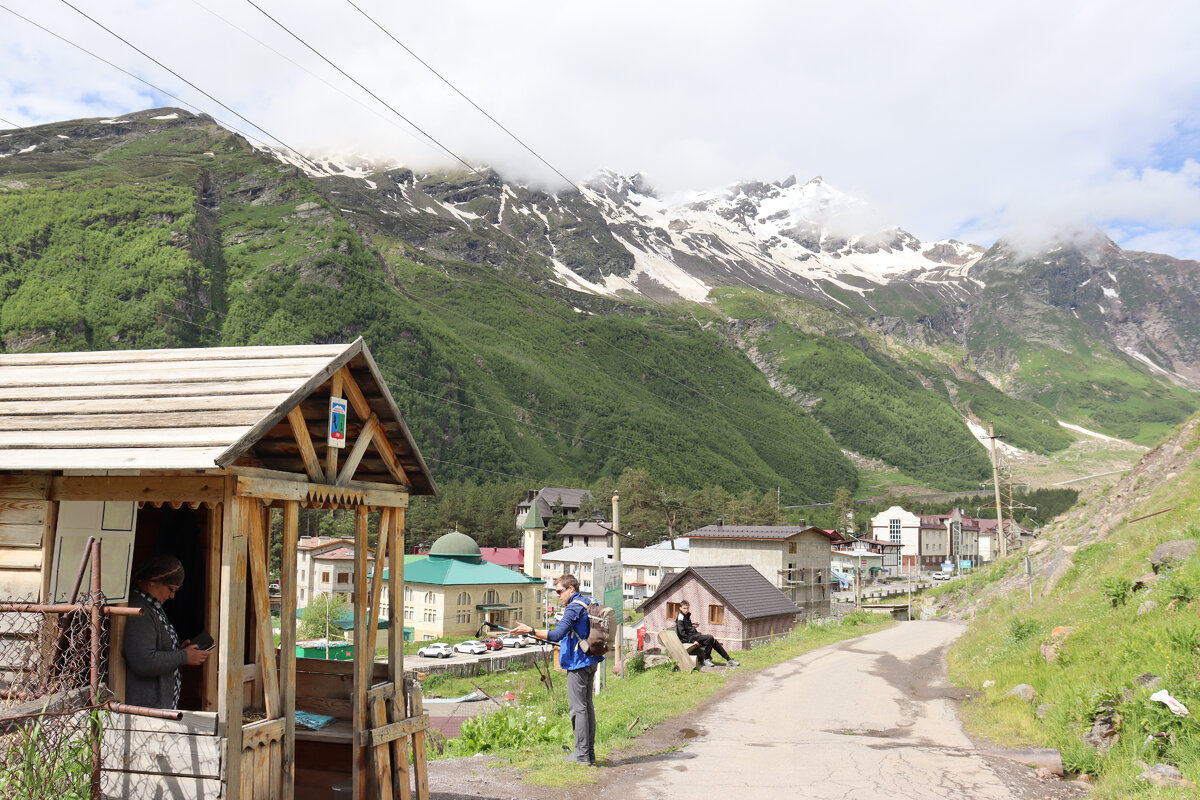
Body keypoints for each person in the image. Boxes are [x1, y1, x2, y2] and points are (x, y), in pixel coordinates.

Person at [510, 574, 603, 765]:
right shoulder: (588, 602)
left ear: (571, 589)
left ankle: (582, 755)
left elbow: (556, 635)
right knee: (587, 707)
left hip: (578, 663)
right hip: (591, 659)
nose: (558, 595)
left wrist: (530, 630)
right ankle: (588, 753)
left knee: (578, 709)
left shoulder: (573, 608)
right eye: (556, 591)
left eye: (560, 591)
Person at [124, 555, 209, 709]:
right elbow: (144, 661)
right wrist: (183, 656)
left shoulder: (151, 606)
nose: (172, 596)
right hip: (146, 709)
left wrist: (179, 650)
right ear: (152, 581)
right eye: (170, 589)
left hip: (154, 705)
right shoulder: (139, 610)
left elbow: (156, 650)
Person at [675, 601, 739, 668]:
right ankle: (706, 659)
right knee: (709, 638)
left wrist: (692, 626)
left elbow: (687, 627)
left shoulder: (685, 616)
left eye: (687, 608)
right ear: (680, 608)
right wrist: (692, 641)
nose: (686, 610)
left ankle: (728, 659)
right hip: (689, 638)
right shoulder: (680, 618)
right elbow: (682, 634)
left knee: (713, 640)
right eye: (684, 608)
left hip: (693, 635)